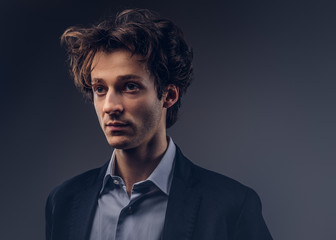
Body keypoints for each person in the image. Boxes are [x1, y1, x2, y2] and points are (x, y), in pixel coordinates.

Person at [45, 8, 273, 240]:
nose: (109, 106)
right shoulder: (64, 201)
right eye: (100, 89)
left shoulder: (231, 206)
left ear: (169, 95)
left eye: (130, 86)